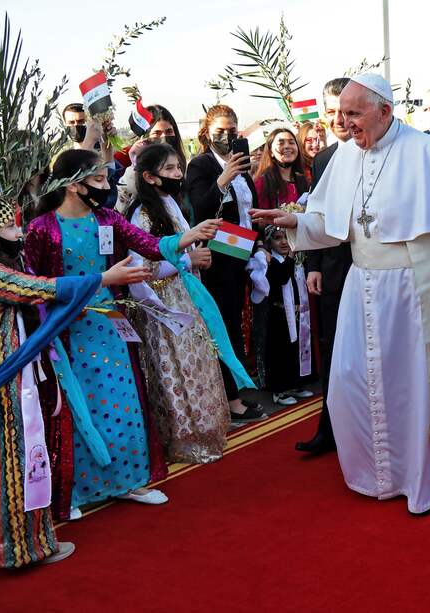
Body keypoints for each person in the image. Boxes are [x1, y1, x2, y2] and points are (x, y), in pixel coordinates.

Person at [252, 73, 430, 514]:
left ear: (385, 111)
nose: (345, 123)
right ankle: (378, 474)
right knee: (353, 381)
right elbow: (330, 223)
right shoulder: (345, 156)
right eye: (341, 113)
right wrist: (295, 222)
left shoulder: (429, 153)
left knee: (412, 389)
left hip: (417, 289)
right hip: (362, 286)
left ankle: (421, 480)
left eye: (354, 113)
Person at [0, 193, 152, 567]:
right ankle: (19, 548)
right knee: (12, 463)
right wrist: (104, 278)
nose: (19, 233)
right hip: (0, 382)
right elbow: (46, 289)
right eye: (10, 227)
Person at [25, 149, 220, 519]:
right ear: (73, 184)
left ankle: (128, 480)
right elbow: (34, 284)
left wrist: (187, 238)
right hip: (67, 330)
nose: (107, 186)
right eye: (98, 179)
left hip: (110, 322)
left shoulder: (108, 218)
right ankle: (75, 491)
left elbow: (148, 245)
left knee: (123, 400)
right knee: (77, 406)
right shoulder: (41, 228)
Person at [125, 143, 233, 463]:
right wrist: (188, 261)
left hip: (186, 295)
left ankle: (205, 431)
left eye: (178, 167)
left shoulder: (170, 202)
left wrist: (194, 259)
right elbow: (143, 269)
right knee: (176, 369)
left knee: (197, 364)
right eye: (169, 169)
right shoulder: (142, 213)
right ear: (150, 176)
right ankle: (183, 439)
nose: (177, 174)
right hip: (163, 304)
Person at [185, 104, 265, 422]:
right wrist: (223, 179)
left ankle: (237, 389)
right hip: (217, 259)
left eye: (232, 130)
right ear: (207, 132)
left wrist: (258, 238)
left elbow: (245, 211)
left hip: (241, 254)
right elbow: (200, 209)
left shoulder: (242, 165)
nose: (226, 136)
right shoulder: (201, 165)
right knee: (224, 326)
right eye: (220, 130)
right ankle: (230, 398)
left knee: (237, 323)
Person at [297, 77, 353, 454]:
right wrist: (314, 265)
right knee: (333, 349)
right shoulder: (323, 159)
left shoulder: (382, 153)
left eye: (345, 111)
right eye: (330, 112)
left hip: (375, 268)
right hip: (332, 270)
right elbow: (316, 214)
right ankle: (329, 429)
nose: (338, 120)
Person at [262, 226, 314, 405]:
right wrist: (291, 255)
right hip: (277, 313)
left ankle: (293, 385)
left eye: (286, 237)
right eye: (277, 238)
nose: (283, 242)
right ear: (269, 242)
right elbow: (282, 276)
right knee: (279, 351)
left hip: (293, 311)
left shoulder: (292, 261)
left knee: (293, 349)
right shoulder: (268, 261)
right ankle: (278, 390)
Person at [253, 127, 309, 210]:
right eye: (281, 143)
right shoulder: (262, 183)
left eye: (291, 142)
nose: (287, 146)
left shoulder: (304, 180)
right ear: (271, 152)